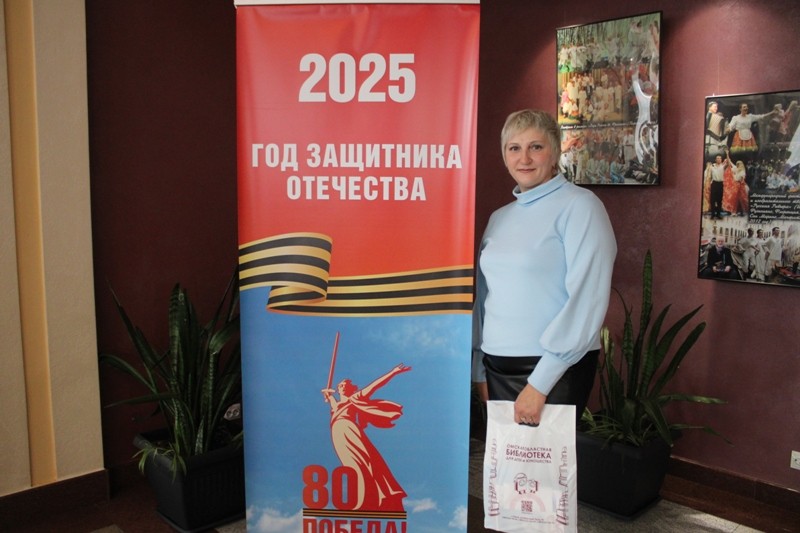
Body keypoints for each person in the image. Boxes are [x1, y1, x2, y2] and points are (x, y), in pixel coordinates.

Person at [472, 109, 617, 428]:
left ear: (555, 152)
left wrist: (540, 384)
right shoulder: (499, 218)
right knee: (505, 463)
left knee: (547, 463)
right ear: (504, 156)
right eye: (514, 148)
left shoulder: (581, 206)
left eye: (536, 147)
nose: (524, 158)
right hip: (496, 367)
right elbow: (483, 298)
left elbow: (587, 300)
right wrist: (479, 368)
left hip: (554, 371)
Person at [321, 363, 411, 511]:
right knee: (350, 464)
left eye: (344, 384)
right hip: (338, 434)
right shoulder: (336, 405)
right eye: (340, 385)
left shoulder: (355, 397)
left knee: (363, 461)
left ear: (351, 388)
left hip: (349, 430)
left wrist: (393, 372)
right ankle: (361, 497)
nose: (341, 386)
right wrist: (329, 396)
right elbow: (333, 403)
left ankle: (373, 496)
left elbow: (375, 385)